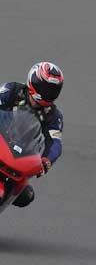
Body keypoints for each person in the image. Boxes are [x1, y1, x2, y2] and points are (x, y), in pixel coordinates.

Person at [0, 61, 64, 208]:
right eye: (45, 88)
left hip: (18, 156)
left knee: (26, 196)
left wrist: (47, 160)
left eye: (53, 90)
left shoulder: (53, 116)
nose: (48, 93)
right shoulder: (12, 91)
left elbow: (55, 143)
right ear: (33, 82)